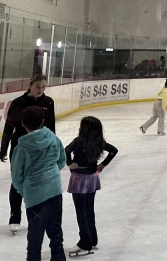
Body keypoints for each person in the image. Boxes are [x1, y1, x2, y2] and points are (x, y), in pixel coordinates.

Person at [0, 73, 56, 232]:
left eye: (44, 87)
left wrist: (52, 147)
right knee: (17, 182)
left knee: (38, 181)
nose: (41, 90)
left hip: (40, 148)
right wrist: (3, 149)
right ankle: (15, 215)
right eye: (38, 87)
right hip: (19, 147)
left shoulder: (48, 102)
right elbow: (9, 127)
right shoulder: (18, 103)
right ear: (30, 85)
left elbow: (51, 126)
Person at [11, 106, 66, 261]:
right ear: (43, 121)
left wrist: (24, 190)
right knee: (56, 233)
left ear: (23, 123)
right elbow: (62, 159)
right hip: (55, 190)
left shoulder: (21, 147)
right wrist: (52, 174)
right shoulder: (52, 137)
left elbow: (16, 175)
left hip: (34, 195)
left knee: (35, 239)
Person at [65, 117, 118, 256]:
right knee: (89, 210)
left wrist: (70, 163)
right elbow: (114, 151)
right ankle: (92, 239)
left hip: (79, 179)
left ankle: (85, 242)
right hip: (92, 179)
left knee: (81, 212)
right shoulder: (99, 142)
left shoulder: (78, 141)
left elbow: (64, 151)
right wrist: (103, 164)